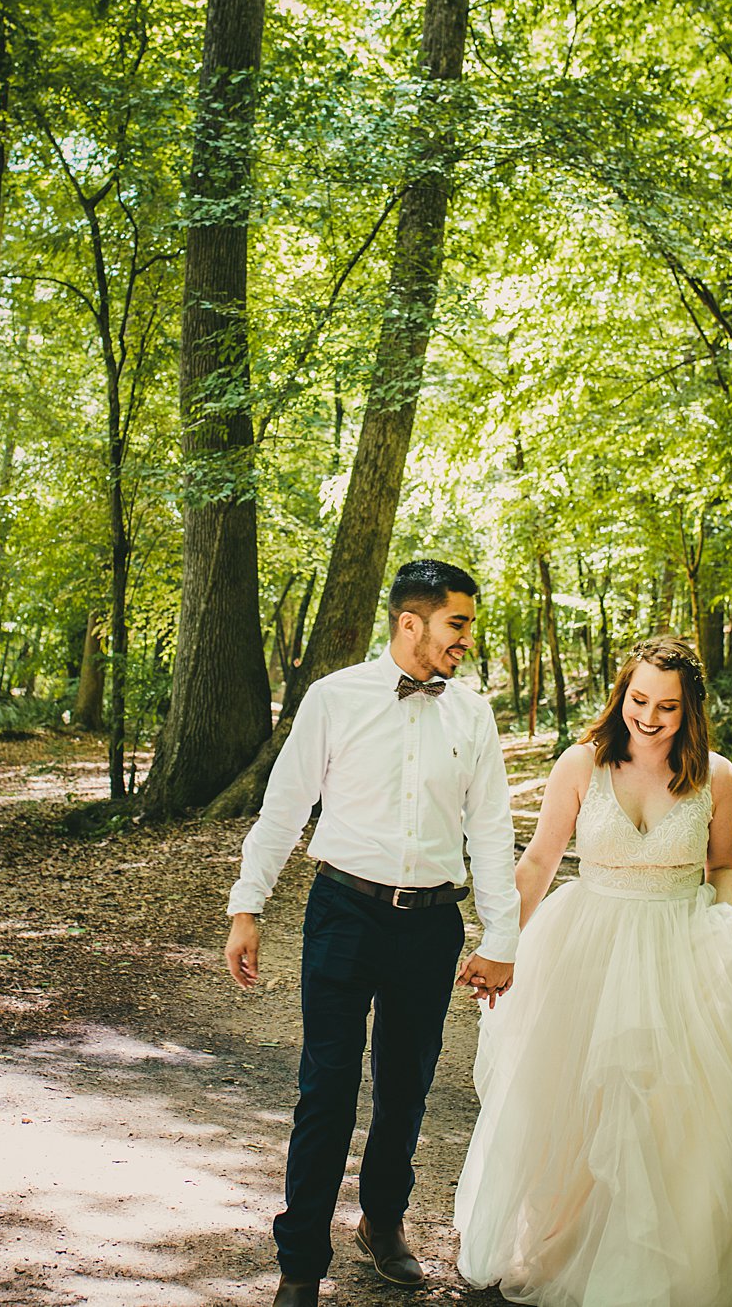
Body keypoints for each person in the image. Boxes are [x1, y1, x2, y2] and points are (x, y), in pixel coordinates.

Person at [455, 636, 732, 1307]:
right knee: (577, 1106)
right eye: (639, 698)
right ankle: (568, 1250)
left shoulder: (717, 777)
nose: (649, 715)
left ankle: (672, 1271)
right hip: (586, 946)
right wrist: (499, 940)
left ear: (690, 709)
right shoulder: (581, 764)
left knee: (678, 1118)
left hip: (683, 948)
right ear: (623, 693)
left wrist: (723, 923)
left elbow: (725, 866)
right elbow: (538, 863)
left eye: (666, 706)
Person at [225, 558, 521, 1307]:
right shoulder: (333, 698)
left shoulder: (473, 715)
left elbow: (490, 833)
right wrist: (246, 905)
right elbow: (284, 806)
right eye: (457, 624)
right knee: (325, 1086)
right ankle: (300, 1264)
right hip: (343, 913)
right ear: (409, 622)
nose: (465, 642)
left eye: (468, 627)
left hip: (432, 926)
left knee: (406, 1087)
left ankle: (382, 1221)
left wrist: (500, 938)